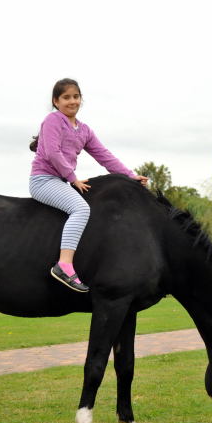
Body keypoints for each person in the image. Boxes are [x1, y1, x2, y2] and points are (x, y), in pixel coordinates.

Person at [29, 78, 148, 293]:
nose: (72, 101)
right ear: (56, 101)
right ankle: (64, 265)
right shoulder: (53, 120)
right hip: (43, 180)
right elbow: (52, 152)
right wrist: (72, 177)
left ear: (81, 100)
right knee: (81, 208)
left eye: (75, 97)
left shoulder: (84, 130)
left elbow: (104, 156)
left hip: (61, 181)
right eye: (66, 97)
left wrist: (130, 176)